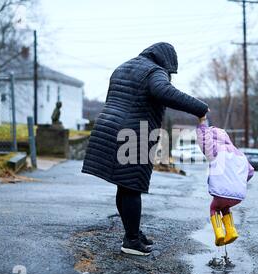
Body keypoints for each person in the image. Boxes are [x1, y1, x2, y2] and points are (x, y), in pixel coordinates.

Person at [82, 42, 209, 256]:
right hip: (132, 132)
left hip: (107, 126)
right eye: (170, 72)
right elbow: (163, 91)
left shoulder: (124, 67)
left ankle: (132, 232)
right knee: (132, 186)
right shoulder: (154, 71)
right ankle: (131, 241)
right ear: (166, 62)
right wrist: (200, 108)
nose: (169, 75)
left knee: (124, 185)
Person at [196, 116, 254, 246]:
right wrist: (239, 181)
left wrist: (201, 126)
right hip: (238, 196)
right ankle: (231, 231)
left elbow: (205, 142)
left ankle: (219, 234)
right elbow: (250, 171)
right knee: (225, 207)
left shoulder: (215, 150)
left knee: (214, 208)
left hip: (221, 192)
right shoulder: (240, 154)